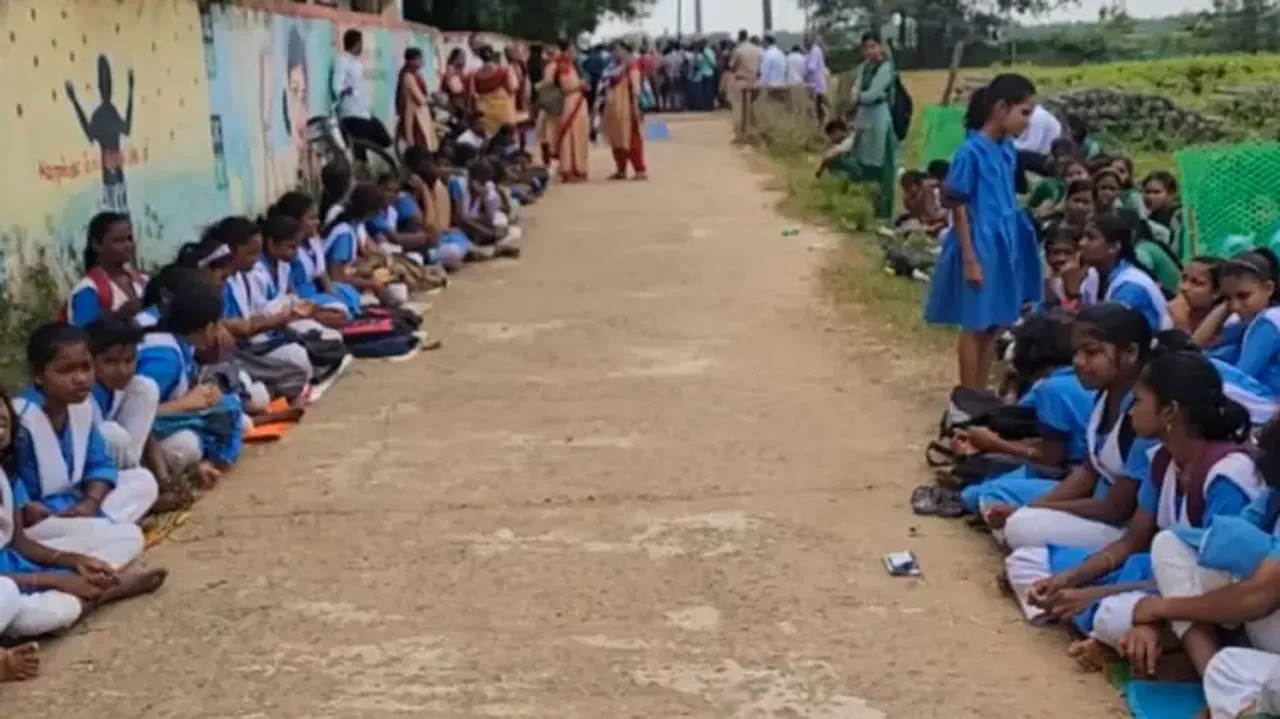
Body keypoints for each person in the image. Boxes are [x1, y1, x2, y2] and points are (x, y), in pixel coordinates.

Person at [1011, 349, 1259, 673]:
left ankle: (1151, 644)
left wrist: (1101, 594)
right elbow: (1133, 540)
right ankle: (1125, 636)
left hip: (1214, 604)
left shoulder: (1227, 476)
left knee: (1112, 617)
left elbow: (1211, 583)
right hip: (1160, 582)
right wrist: (1071, 578)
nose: (1131, 413)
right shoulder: (1162, 460)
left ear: (1169, 412)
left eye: (1139, 401)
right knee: (1029, 565)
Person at [1122, 418, 1280, 717]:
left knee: (1238, 672)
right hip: (1256, 630)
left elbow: (1260, 598)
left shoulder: (1226, 473)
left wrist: (1163, 609)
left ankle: (1224, 697)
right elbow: (1208, 546)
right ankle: (1215, 686)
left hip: (1259, 615)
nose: (1134, 413)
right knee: (1171, 546)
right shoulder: (1273, 499)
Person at [990, 304, 1160, 557]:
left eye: (1091, 352)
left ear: (1131, 353)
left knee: (1021, 528)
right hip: (1099, 506)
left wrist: (1032, 511)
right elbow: (1088, 471)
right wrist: (1031, 507)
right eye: (1076, 352)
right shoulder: (1104, 394)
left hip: (1123, 529)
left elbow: (1116, 509)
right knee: (997, 503)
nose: (1078, 362)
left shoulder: (1144, 413)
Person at [0, 384, 165, 643]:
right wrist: (51, 580)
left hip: (17, 564)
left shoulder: (6, 473)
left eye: (3, 424)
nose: (0, 434)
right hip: (8, 583)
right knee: (31, 610)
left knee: (129, 537)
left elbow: (19, 542)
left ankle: (86, 589)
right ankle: (100, 594)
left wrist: (73, 560)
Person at [923, 74, 1040, 390]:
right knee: (974, 323)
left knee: (993, 322)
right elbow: (957, 204)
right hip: (978, 242)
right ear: (1001, 108)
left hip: (1004, 241)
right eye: (1024, 113)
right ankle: (967, 395)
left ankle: (981, 392)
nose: (1027, 122)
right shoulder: (970, 152)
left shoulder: (1006, 150)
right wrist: (970, 256)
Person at [13, 323, 159, 530]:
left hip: (77, 504)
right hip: (40, 518)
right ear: (38, 375)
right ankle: (103, 530)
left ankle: (96, 527)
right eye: (66, 370)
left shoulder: (80, 408)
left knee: (142, 480)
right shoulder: (20, 418)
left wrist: (90, 503)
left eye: (86, 367)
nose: (80, 378)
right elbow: (8, 478)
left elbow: (99, 464)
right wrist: (24, 505)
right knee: (129, 540)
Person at [957, 311, 1097, 515]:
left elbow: (1051, 458)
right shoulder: (1078, 379)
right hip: (1080, 472)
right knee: (980, 485)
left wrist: (993, 443)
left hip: (1075, 478)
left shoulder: (1051, 388)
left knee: (982, 494)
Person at [136, 282, 244, 480]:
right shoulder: (165, 359)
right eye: (218, 325)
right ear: (210, 327)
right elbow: (136, 413)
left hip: (164, 419)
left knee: (231, 410)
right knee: (192, 442)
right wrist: (187, 403)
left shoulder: (181, 345)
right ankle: (213, 462)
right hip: (143, 436)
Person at [270, 191, 363, 320]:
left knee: (348, 295)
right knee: (338, 311)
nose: (316, 222)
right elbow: (291, 291)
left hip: (316, 295)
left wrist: (336, 297)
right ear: (295, 221)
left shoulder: (311, 242)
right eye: (311, 218)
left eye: (316, 218)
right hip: (303, 300)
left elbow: (322, 275)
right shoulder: (288, 251)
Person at [86, 316, 160, 473]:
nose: (123, 371)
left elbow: (149, 436)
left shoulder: (119, 387)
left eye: (129, 360)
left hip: (119, 464)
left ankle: (132, 472)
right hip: (87, 476)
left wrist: (164, 477)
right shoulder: (81, 394)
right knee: (111, 434)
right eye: (111, 362)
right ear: (89, 361)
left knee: (145, 387)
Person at [1204, 250, 1280, 397]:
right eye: (1228, 299)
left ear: (1269, 288)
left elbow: (1242, 376)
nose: (1235, 306)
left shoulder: (1269, 321)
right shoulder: (1246, 322)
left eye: (1243, 296)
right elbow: (1202, 342)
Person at [1079, 213, 1172, 333]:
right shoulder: (1093, 275)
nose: (1081, 243)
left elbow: (1118, 335)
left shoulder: (1131, 287)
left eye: (1090, 238)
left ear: (1114, 247)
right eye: (1083, 236)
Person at [849, 32, 902, 220]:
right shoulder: (865, 67)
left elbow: (871, 94)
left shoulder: (886, 67)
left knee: (882, 164)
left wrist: (860, 97)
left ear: (880, 46)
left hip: (879, 118)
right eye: (866, 48)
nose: (869, 51)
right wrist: (860, 95)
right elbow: (854, 89)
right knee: (863, 160)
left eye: (873, 46)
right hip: (864, 118)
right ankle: (865, 206)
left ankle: (883, 212)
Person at [66, 211, 147, 327]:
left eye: (129, 239)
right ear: (96, 245)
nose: (127, 245)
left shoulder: (143, 281)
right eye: (118, 241)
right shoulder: (87, 290)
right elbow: (84, 336)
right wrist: (119, 315)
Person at [403, 147, 471, 270]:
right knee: (452, 250)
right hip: (417, 247)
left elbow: (438, 227)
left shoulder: (438, 189)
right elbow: (430, 225)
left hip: (434, 240)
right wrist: (424, 192)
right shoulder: (406, 199)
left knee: (459, 239)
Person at [332, 30, 392, 153]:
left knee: (384, 139)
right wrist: (345, 91)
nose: (362, 47)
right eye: (361, 43)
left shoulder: (357, 63)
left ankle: (373, 166)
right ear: (356, 43)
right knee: (360, 147)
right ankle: (361, 168)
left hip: (364, 111)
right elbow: (336, 85)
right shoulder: (342, 60)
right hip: (351, 112)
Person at [543, 41, 589, 183]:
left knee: (578, 135)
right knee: (568, 136)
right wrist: (579, 85)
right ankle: (568, 169)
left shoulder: (571, 64)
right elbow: (562, 86)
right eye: (573, 49)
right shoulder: (560, 65)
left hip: (578, 102)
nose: (576, 52)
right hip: (569, 102)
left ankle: (578, 168)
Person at [603, 42, 647, 182]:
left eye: (617, 50)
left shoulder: (632, 65)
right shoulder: (613, 67)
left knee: (632, 138)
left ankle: (640, 170)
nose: (614, 54)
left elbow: (635, 89)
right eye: (612, 51)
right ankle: (620, 169)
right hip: (613, 109)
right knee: (616, 139)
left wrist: (635, 108)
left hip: (627, 108)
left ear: (625, 50)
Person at [1042, 225, 1097, 311]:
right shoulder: (1041, 283)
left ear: (1078, 254)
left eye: (1067, 253)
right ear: (1047, 256)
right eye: (1056, 253)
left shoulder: (1090, 279)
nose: (1061, 258)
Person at [1169, 256, 1223, 341]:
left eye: (1196, 282)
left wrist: (1181, 325)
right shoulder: (1166, 313)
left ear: (1217, 292)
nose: (1184, 287)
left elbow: (1189, 352)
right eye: (1184, 279)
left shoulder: (1227, 326)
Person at [470, 46, 519, 138]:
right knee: (507, 138)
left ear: (480, 57)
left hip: (486, 112)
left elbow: (472, 93)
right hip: (503, 111)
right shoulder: (503, 71)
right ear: (493, 55)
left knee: (490, 138)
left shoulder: (476, 74)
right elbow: (511, 89)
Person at [395, 47, 435, 152]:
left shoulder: (416, 74)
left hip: (421, 111)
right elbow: (419, 98)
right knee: (418, 142)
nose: (422, 61)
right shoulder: (408, 75)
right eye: (420, 59)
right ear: (412, 60)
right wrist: (431, 100)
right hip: (414, 113)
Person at [728, 31, 762, 141]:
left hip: (741, 81)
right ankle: (752, 133)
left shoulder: (738, 50)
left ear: (739, 37)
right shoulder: (757, 50)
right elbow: (761, 68)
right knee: (752, 110)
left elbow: (731, 66)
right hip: (754, 82)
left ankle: (740, 135)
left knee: (739, 110)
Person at [1141, 171, 1184, 257]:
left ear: (1171, 194)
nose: (1150, 197)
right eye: (1147, 192)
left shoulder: (1179, 216)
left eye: (1157, 192)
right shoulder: (1151, 217)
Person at [804, 35, 828, 125]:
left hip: (816, 83)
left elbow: (811, 67)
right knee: (818, 105)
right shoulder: (812, 51)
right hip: (815, 83)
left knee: (818, 106)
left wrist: (805, 74)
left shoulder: (815, 51)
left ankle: (821, 125)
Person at [440, 48, 471, 118]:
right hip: (456, 105)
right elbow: (457, 89)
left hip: (462, 103)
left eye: (464, 57)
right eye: (462, 57)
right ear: (455, 58)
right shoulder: (451, 70)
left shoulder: (461, 71)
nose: (464, 59)